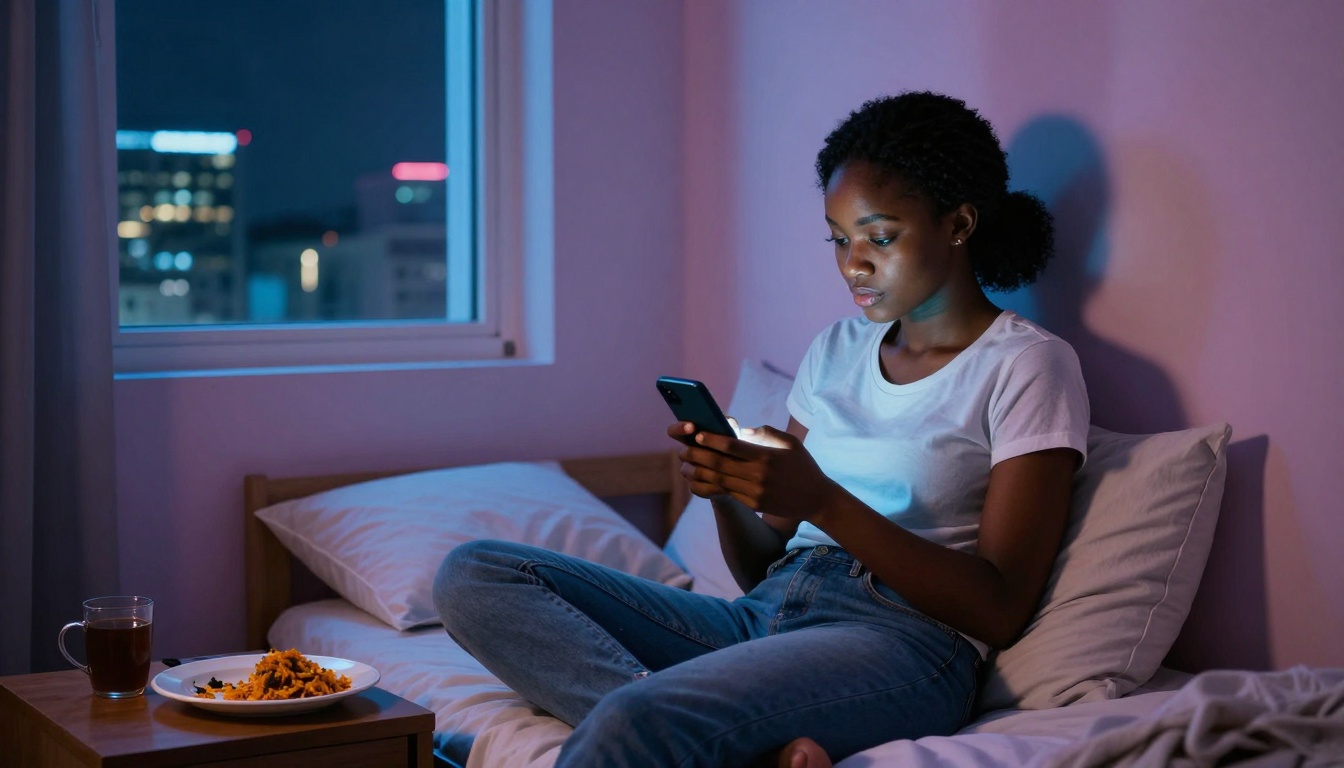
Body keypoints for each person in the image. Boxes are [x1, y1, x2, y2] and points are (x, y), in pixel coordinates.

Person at [434, 91, 1089, 768]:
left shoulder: (1028, 364)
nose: (852, 263)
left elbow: (1000, 608)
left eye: (879, 237)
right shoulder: (836, 349)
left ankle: (679, 733)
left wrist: (824, 502)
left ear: (958, 224)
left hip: (903, 643)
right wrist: (721, 488)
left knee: (638, 715)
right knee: (476, 574)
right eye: (838, 239)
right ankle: (729, 749)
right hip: (764, 618)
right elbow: (759, 571)